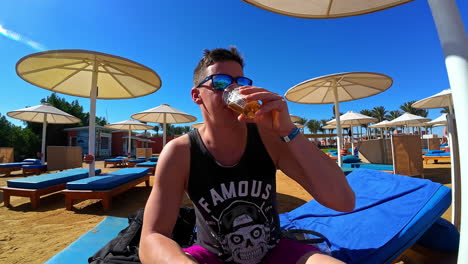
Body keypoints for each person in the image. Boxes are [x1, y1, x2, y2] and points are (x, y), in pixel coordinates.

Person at [139, 47, 355, 264]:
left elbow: (344, 201)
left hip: (273, 250)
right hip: (212, 257)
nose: (233, 90)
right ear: (197, 96)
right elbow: (152, 236)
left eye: (240, 83)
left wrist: (288, 132)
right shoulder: (181, 152)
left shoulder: (269, 141)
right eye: (221, 82)